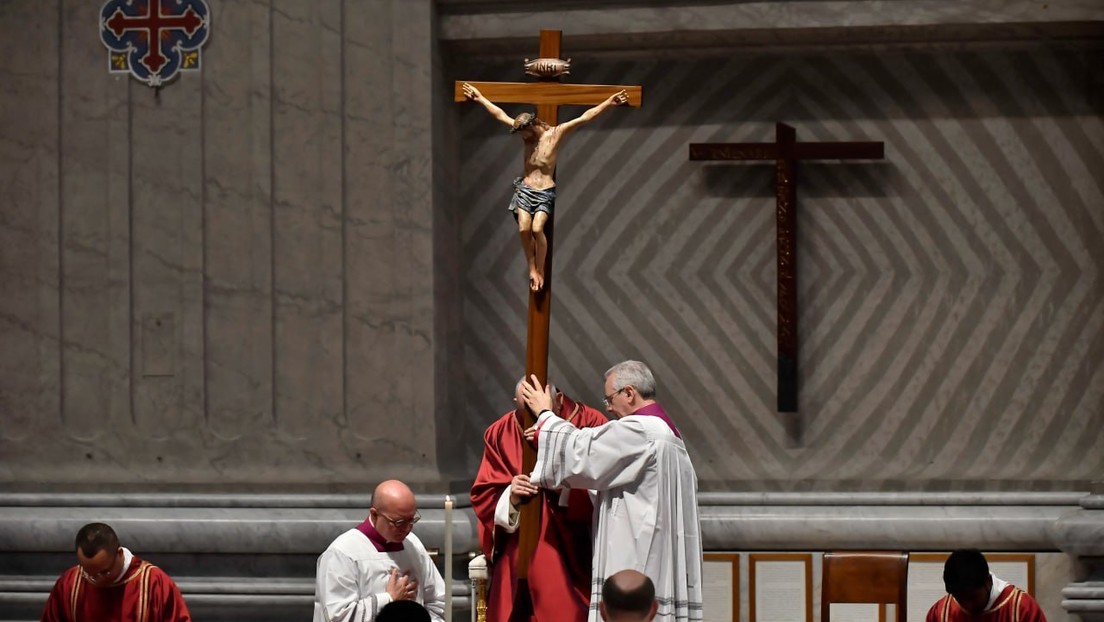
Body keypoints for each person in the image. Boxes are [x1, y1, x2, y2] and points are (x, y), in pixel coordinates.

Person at [520, 360, 703, 622]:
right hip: (659, 553)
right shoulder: (670, 436)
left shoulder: (641, 429)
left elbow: (582, 450)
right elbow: (616, 479)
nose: (607, 407)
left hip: (638, 553)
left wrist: (545, 416)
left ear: (629, 393)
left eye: (609, 398)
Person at [462, 82, 629, 292]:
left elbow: (585, 117)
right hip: (525, 189)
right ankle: (532, 268)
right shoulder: (527, 139)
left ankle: (540, 268)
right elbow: (500, 115)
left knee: (537, 228)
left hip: (543, 192)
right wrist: (479, 98)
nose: (521, 137)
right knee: (523, 228)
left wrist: (609, 103)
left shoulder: (555, 134)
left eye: (522, 132)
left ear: (531, 126)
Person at [471, 378, 608, 621]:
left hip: (574, 549)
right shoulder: (499, 432)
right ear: (516, 403)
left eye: (539, 410)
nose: (533, 420)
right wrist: (510, 495)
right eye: (525, 411)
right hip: (518, 546)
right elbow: (484, 493)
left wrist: (562, 486)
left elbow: (605, 482)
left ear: (558, 400)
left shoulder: (590, 423)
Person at [313, 480, 446, 622]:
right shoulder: (342, 553)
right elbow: (338, 616)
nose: (407, 529)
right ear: (375, 514)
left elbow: (438, 601)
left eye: (411, 520)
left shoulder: (413, 544)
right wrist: (389, 599)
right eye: (399, 522)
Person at [39, 522, 192, 621]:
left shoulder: (155, 584)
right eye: (89, 573)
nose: (97, 579)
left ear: (119, 554)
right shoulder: (69, 584)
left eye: (104, 572)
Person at [926, 549, 1047, 622]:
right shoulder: (941, 612)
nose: (967, 606)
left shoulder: (1022, 608)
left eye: (972, 598)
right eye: (959, 599)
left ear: (988, 581)